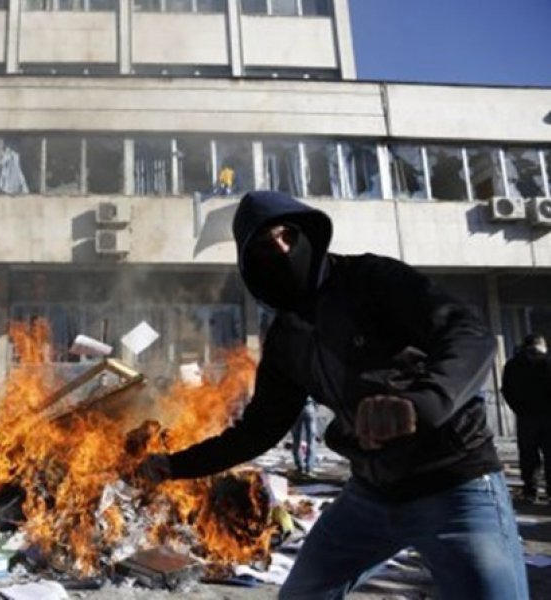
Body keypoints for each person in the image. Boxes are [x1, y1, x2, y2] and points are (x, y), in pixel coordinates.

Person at [133, 191, 528, 599]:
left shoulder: (371, 279)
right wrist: (171, 466)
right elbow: (256, 433)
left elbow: (469, 333)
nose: (282, 249)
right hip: (372, 495)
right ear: (250, 263)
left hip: (455, 484)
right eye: (267, 245)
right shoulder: (286, 340)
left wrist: (422, 401)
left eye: (287, 234)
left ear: (308, 233)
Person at [502, 333, 551, 502]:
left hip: (525, 416)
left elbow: (506, 390)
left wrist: (518, 408)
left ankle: (530, 489)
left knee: (528, 454)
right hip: (548, 415)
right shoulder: (548, 362)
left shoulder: (513, 365)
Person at [291, 397, 318, 476]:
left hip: (295, 406)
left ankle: (300, 467)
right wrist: (315, 407)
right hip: (309, 406)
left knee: (296, 439)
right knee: (311, 440)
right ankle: (309, 468)